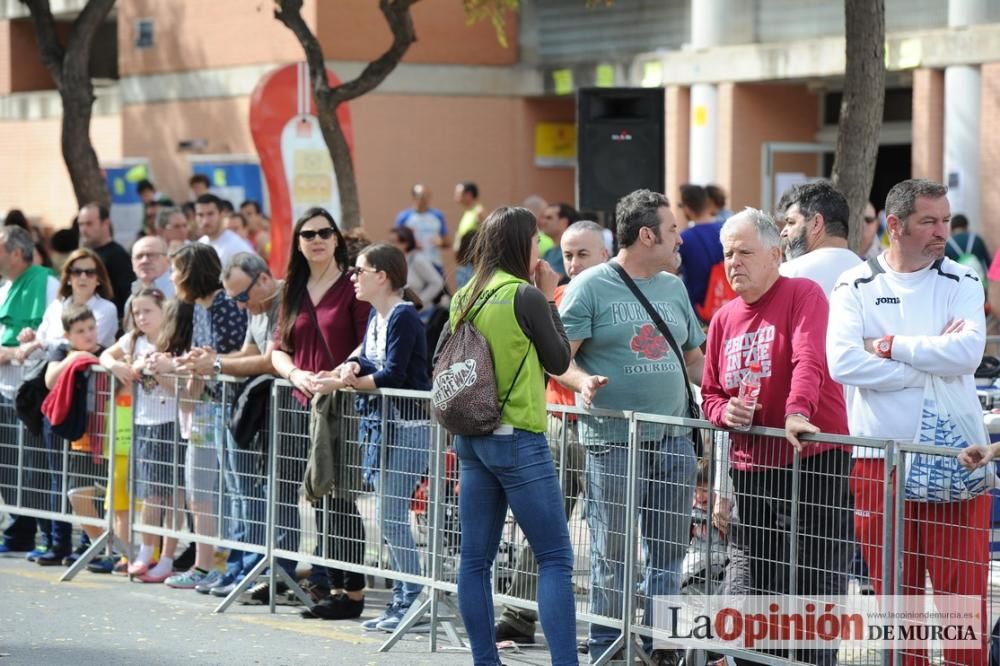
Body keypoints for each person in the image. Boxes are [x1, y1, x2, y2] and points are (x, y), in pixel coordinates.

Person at [827, 179, 990, 665]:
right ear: (894, 226)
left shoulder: (961, 280)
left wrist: (893, 345)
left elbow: (969, 352)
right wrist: (929, 365)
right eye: (929, 221)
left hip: (953, 462)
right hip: (881, 464)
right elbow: (842, 364)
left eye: (945, 219)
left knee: (963, 606)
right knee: (899, 605)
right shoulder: (854, 283)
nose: (943, 231)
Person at [556, 189, 703, 665]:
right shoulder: (590, 286)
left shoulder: (674, 286)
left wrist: (735, 395)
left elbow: (695, 360)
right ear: (647, 235)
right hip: (613, 443)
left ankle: (663, 646)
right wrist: (583, 382)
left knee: (668, 553)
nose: (679, 238)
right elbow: (557, 359)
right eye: (672, 229)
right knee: (613, 557)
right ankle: (610, 648)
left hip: (675, 439)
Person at [700, 208, 853, 666]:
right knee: (751, 584)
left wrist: (795, 412)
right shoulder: (724, 319)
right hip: (751, 469)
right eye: (728, 254)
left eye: (745, 252)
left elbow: (811, 361)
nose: (734, 263)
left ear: (775, 254)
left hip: (812, 461)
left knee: (812, 581)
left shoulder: (802, 294)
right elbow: (709, 394)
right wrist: (727, 410)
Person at [437, 206, 577, 665]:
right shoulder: (525, 295)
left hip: (472, 438)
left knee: (475, 561)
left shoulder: (465, 296)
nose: (540, 248)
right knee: (554, 558)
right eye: (536, 240)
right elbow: (558, 361)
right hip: (518, 438)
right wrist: (550, 294)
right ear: (521, 245)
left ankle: (485, 660)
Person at [494, 219, 606, 646]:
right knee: (543, 523)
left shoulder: (610, 293)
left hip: (605, 426)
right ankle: (519, 614)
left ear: (604, 255)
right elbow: (547, 354)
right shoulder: (552, 295)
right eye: (568, 254)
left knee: (606, 531)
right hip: (561, 423)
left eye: (584, 254)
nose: (574, 264)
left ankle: (604, 628)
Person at [269, 207, 371, 616]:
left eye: (325, 232)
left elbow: (369, 342)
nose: (317, 239)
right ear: (298, 243)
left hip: (341, 406)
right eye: (308, 234)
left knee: (340, 500)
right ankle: (331, 587)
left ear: (336, 239)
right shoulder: (292, 288)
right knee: (315, 498)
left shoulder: (352, 285)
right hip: (299, 403)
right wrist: (295, 374)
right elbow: (277, 349)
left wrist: (338, 374)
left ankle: (353, 595)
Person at [332, 243, 432, 632]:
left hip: (407, 430)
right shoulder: (378, 315)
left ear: (382, 275)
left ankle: (413, 600)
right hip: (382, 428)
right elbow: (368, 358)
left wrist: (356, 383)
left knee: (392, 518)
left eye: (359, 270)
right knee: (389, 520)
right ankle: (403, 598)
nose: (353, 278)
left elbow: (394, 373)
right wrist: (351, 367)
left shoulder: (404, 317)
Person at [176, 252, 283, 596]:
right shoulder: (254, 309)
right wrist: (209, 360)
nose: (238, 306)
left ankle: (260, 569)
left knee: (259, 494)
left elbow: (268, 362)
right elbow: (245, 353)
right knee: (240, 493)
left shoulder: (282, 304)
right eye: (233, 298)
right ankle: (239, 565)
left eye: (241, 296)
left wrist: (217, 365)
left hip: (269, 415)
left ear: (263, 279)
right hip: (243, 410)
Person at [154, 243, 247, 591]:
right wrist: (178, 366)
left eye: (175, 269)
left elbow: (228, 361)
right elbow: (202, 362)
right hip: (206, 412)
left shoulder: (225, 306)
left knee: (230, 493)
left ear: (191, 272)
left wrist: (178, 365)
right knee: (199, 492)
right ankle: (205, 564)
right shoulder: (201, 309)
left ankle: (226, 565)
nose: (172, 276)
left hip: (228, 412)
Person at [100, 287, 179, 581]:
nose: (141, 317)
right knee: (149, 494)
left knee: (172, 496)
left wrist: (158, 370)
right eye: (136, 312)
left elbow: (179, 389)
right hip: (143, 421)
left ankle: (167, 557)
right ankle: (147, 550)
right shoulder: (133, 340)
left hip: (171, 421)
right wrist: (119, 365)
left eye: (148, 311)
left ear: (163, 311)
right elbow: (106, 355)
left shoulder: (173, 341)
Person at [0, 225, 59, 557]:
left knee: (35, 467)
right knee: (8, 466)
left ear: (16, 252)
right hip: (3, 389)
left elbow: (50, 337)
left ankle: (49, 532)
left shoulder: (47, 283)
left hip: (31, 391)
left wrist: (9, 354)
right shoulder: (5, 287)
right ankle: (19, 528)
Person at [36, 304, 108, 567]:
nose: (88, 335)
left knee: (104, 494)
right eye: (80, 331)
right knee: (74, 492)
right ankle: (97, 543)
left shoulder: (105, 353)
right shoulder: (62, 351)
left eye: (91, 328)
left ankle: (102, 547)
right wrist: (73, 358)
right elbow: (50, 380)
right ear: (68, 335)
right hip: (71, 429)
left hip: (103, 433)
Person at [15, 248, 118, 359]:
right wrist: (30, 340)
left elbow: (84, 345)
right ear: (68, 278)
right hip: (52, 372)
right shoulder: (55, 307)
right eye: (77, 272)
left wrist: (42, 343)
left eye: (90, 273)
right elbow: (38, 353)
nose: (83, 277)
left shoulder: (107, 309)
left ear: (98, 279)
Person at [777, 180, 862, 297]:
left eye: (791, 222)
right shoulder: (871, 276)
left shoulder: (787, 274)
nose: (783, 232)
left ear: (816, 223)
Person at [76, 203, 135, 320]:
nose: (84, 229)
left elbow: (125, 295)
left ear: (105, 223)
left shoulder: (117, 255)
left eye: (89, 223)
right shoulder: (83, 254)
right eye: (81, 224)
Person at [677, 184, 725, 317]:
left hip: (698, 311)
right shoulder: (726, 229)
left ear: (687, 207)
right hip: (728, 303)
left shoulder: (683, 239)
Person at [388, 226, 444, 315]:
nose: (390, 245)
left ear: (406, 243)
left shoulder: (417, 259)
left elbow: (437, 282)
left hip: (423, 313)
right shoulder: (395, 261)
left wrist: (418, 302)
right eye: (389, 242)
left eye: (394, 242)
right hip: (403, 312)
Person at [395, 184, 448, 272]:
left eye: (427, 196)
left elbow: (447, 241)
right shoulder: (404, 217)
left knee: (437, 284)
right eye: (421, 196)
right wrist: (412, 244)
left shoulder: (437, 216)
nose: (424, 199)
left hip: (434, 263)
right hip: (412, 264)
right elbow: (396, 242)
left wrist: (441, 242)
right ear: (413, 197)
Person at [195, 193, 253, 266]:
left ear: (222, 215)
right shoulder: (199, 245)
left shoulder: (237, 247)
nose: (205, 221)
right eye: (200, 215)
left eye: (210, 214)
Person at [538, 203, 581, 280]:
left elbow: (549, 280)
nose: (543, 222)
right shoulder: (549, 252)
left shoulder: (570, 252)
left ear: (563, 222)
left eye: (549, 218)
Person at [452, 181, 483, 288]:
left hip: (472, 266)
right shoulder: (468, 212)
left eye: (458, 193)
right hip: (464, 264)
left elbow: (485, 237)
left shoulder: (479, 212)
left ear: (468, 195)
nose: (456, 197)